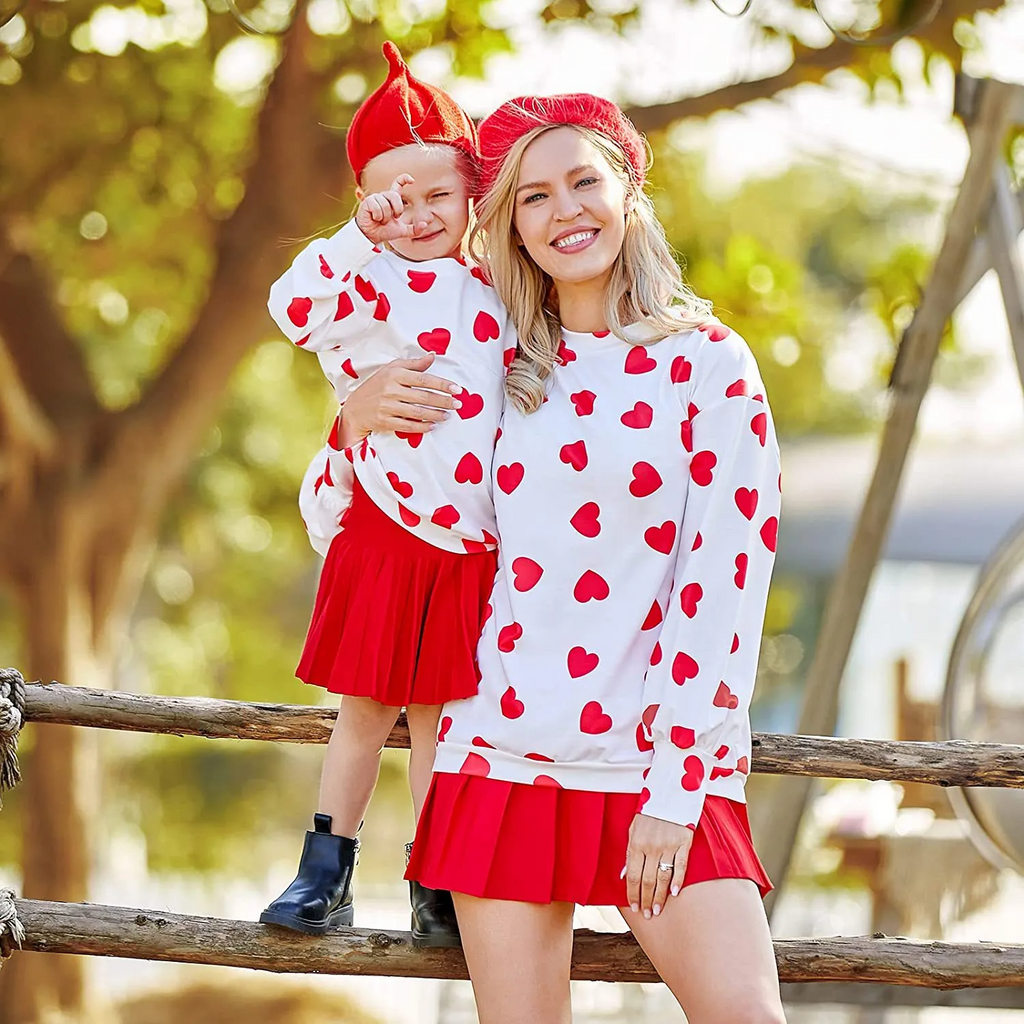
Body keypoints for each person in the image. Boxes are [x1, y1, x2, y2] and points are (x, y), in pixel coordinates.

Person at [305, 93, 786, 1023]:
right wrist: (350, 421)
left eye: (583, 182)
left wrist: (678, 792)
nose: (564, 210)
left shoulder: (709, 363)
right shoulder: (492, 363)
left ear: (628, 193)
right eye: (532, 197)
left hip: (655, 767)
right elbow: (382, 517)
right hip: (501, 758)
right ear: (510, 228)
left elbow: (726, 585)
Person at [260, 42, 510, 947]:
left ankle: (434, 881)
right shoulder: (360, 276)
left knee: (445, 718)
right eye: (393, 200)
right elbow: (291, 310)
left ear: (475, 194)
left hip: (470, 541)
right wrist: (356, 237)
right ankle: (324, 872)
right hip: (386, 525)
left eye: (440, 194)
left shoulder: (501, 285)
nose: (417, 216)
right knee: (365, 712)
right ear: (367, 201)